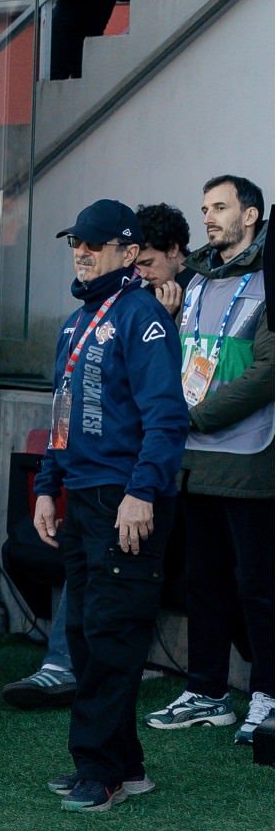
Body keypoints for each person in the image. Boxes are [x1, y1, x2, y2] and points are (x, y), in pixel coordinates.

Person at [32, 200, 189, 812]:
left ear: (128, 253)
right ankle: (125, 763)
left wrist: (141, 491)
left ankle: (100, 772)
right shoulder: (78, 320)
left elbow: (167, 418)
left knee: (113, 637)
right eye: (76, 243)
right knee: (87, 635)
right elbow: (62, 414)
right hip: (85, 498)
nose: (81, 252)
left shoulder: (143, 317)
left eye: (95, 245)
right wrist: (48, 483)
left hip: (127, 502)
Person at [145, 175, 270, 741]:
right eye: (204, 208)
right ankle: (206, 690)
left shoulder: (268, 276)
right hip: (191, 456)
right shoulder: (193, 277)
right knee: (203, 581)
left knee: (258, 585)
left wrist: (194, 416)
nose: (209, 217)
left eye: (220, 208)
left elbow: (268, 370)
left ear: (251, 215)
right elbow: (182, 355)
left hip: (247, 456)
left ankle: (266, 697)